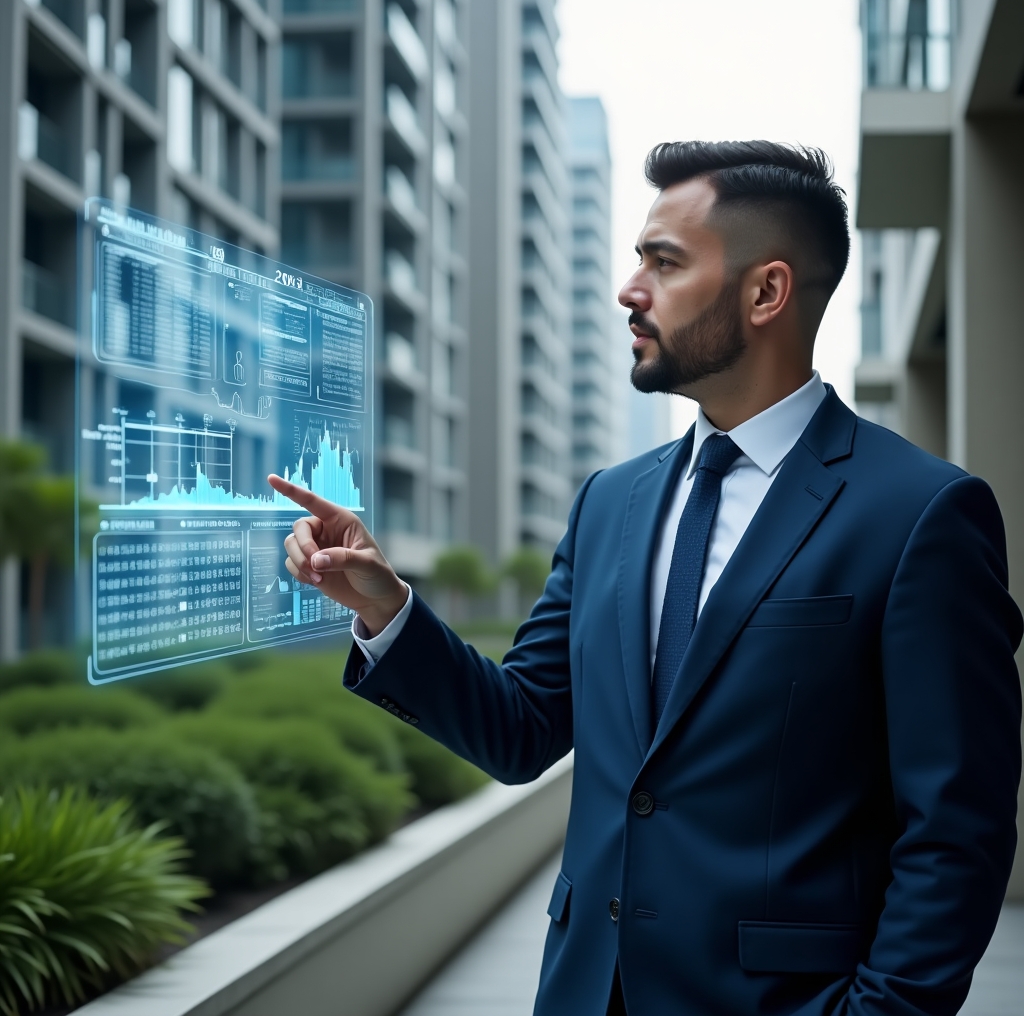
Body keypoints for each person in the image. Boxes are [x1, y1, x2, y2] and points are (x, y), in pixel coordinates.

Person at [269, 140, 1022, 1016]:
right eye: (637, 261)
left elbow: (956, 834)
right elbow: (523, 730)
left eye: (664, 263)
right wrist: (389, 610)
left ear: (767, 292)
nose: (630, 290)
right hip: (586, 993)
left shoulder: (922, 514)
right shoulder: (610, 502)